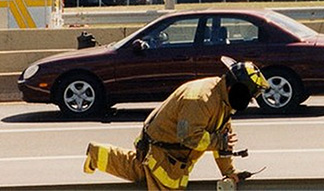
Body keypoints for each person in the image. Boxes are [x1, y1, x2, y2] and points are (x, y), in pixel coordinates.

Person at [82, 57, 269, 190]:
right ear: (233, 88)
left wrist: (229, 171)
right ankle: (97, 154)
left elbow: (223, 140)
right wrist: (218, 142)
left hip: (166, 149)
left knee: (139, 170)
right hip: (163, 154)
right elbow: (188, 137)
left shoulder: (224, 102)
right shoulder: (200, 100)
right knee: (165, 182)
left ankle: (97, 154)